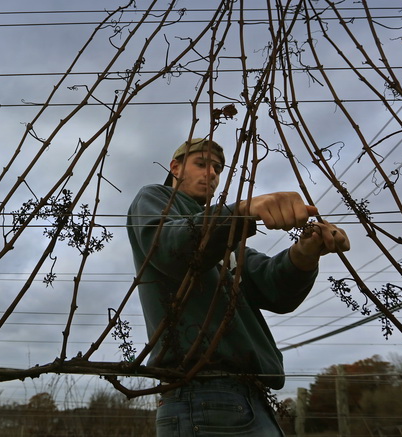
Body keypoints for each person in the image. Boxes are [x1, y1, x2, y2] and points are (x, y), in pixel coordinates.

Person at [127, 138, 350, 436]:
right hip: (203, 394)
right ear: (176, 167)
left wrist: (305, 253)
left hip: (250, 398)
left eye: (218, 168)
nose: (212, 174)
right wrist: (244, 209)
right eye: (202, 164)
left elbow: (275, 288)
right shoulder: (155, 200)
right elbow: (173, 247)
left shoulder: (227, 244)